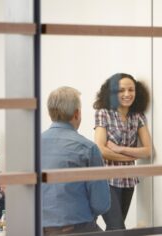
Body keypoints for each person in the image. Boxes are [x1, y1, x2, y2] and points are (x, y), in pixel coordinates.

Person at [41, 86, 110, 235]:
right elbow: (101, 204)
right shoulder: (87, 148)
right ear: (77, 113)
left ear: (49, 113)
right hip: (76, 228)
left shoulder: (31, 146)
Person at [93, 73, 153, 230]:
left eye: (131, 90)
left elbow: (148, 151)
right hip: (106, 180)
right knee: (118, 226)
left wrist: (120, 149)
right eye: (121, 90)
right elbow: (101, 149)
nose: (127, 94)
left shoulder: (138, 116)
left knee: (115, 229)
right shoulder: (104, 113)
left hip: (128, 180)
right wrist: (130, 157)